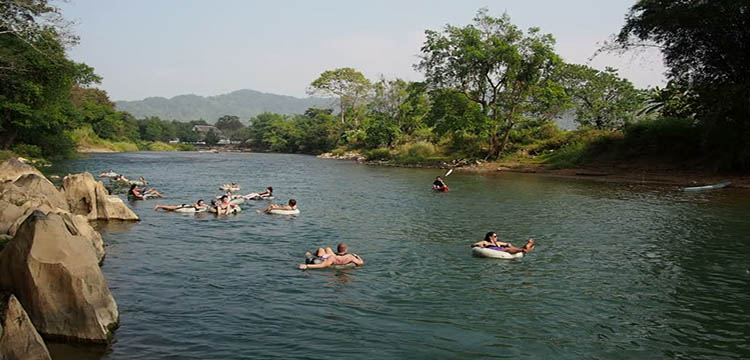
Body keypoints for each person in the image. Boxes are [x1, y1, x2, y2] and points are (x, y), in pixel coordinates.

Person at [299, 243, 364, 270]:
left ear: (337, 249)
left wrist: (307, 266)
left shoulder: (332, 258)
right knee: (328, 249)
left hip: (325, 258)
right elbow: (361, 262)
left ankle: (310, 254)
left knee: (321, 249)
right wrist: (358, 256)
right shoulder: (350, 257)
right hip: (336, 256)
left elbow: (322, 265)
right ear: (346, 249)